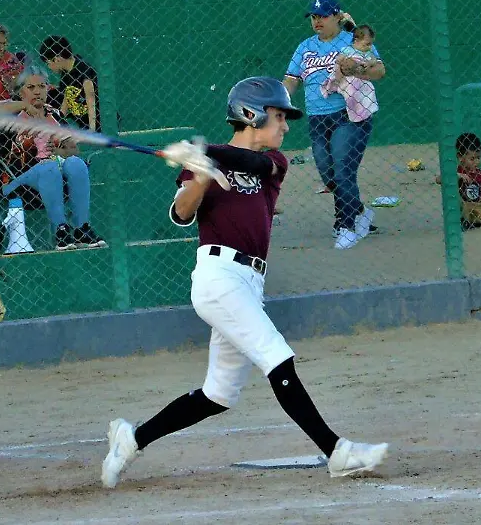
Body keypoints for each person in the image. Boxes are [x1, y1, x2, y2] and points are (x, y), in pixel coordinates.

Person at [100, 76, 389, 488]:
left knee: (218, 394)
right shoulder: (203, 164)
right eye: (278, 116)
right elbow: (181, 214)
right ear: (251, 114)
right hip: (218, 278)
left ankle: (132, 439)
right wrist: (201, 174)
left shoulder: (274, 163)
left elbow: (252, 164)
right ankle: (337, 452)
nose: (285, 125)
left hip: (251, 283)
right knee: (276, 355)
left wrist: (206, 152)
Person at [283, 0, 385, 250]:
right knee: (328, 176)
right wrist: (279, 101)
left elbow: (379, 71)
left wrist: (356, 70)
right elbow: (292, 79)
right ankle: (361, 212)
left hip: (348, 116)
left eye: (323, 16)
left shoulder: (353, 41)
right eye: (314, 17)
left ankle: (347, 226)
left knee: (342, 171)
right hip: (317, 119)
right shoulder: (305, 47)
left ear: (338, 17)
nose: (317, 21)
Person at [0, 69, 104, 252]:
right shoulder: (11, 115)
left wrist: (59, 150)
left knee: (76, 163)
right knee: (49, 168)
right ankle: (61, 230)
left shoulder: (54, 114)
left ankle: (81, 228)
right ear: (20, 92)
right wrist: (24, 105)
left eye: (41, 86)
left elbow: (73, 150)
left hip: (56, 179)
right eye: (31, 87)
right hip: (18, 180)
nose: (37, 91)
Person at [39, 35, 107, 132]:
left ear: (57, 59)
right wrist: (58, 122)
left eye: (48, 63)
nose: (49, 67)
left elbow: (90, 98)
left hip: (101, 123)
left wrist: (92, 129)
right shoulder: (65, 73)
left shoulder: (82, 69)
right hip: (84, 124)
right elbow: (66, 101)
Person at [321, 23, 380, 126]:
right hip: (345, 77)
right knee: (350, 91)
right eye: (367, 44)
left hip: (359, 78)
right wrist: (341, 64)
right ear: (356, 41)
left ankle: (364, 111)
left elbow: (374, 60)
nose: (370, 47)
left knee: (370, 89)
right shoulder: (348, 50)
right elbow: (339, 60)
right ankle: (334, 85)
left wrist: (369, 63)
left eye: (371, 44)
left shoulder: (367, 52)